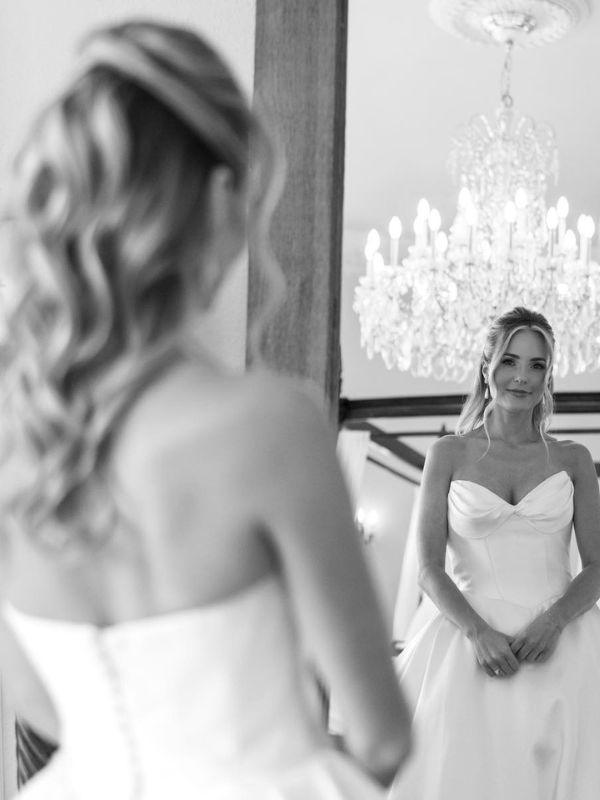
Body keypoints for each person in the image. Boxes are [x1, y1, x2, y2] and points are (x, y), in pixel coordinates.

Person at [0, 20, 412, 798]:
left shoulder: (22, 438)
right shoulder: (270, 425)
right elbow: (381, 733)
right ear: (223, 195)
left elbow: (37, 705)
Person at [389, 306, 600, 800]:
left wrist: (555, 622)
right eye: (510, 361)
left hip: (562, 644)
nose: (522, 377)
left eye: (537, 365)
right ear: (486, 366)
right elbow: (427, 568)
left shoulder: (573, 459)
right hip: (467, 643)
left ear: (549, 376)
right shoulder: (449, 454)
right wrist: (477, 632)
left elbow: (598, 567)